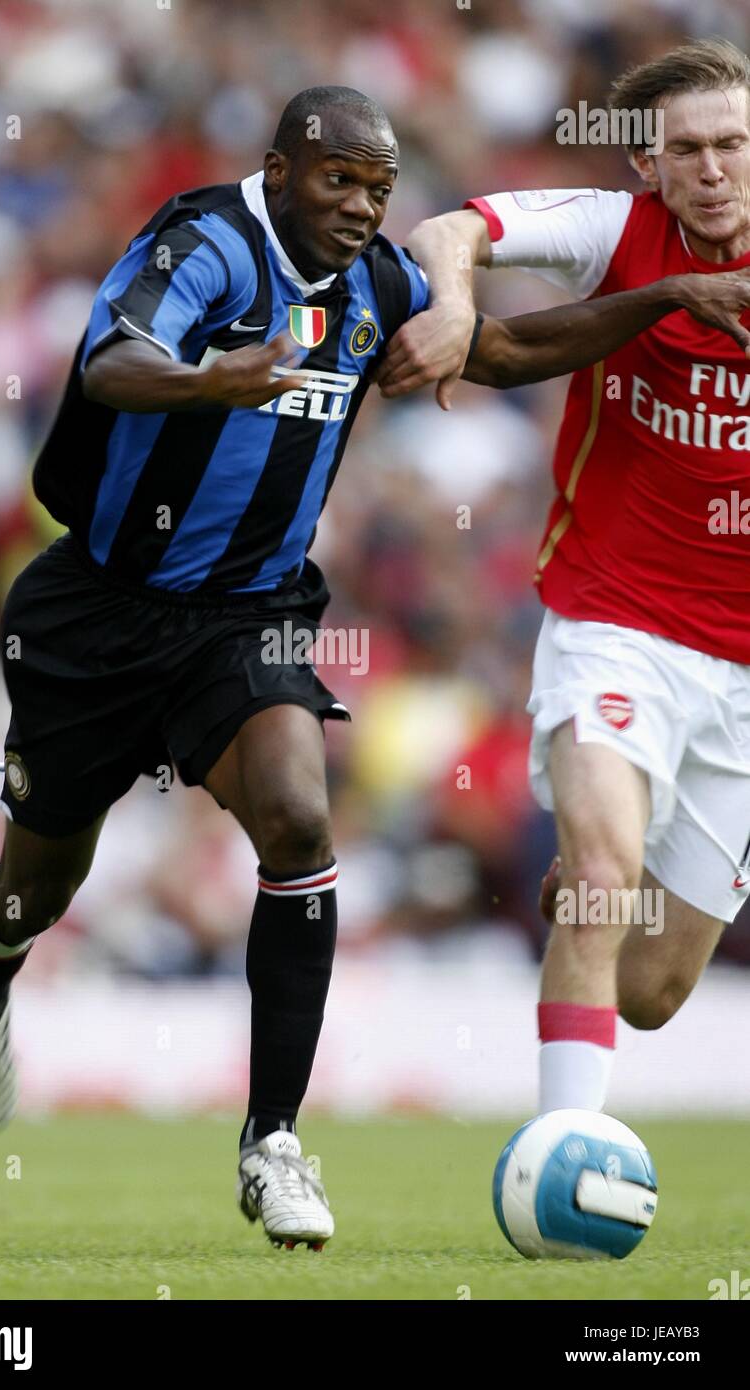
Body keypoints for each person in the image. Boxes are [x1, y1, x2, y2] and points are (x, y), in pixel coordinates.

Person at [0, 82, 750, 1249]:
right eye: (338, 181)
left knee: (298, 826)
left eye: (378, 187)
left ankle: (271, 1140)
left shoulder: (372, 289)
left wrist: (661, 297)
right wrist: (213, 378)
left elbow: (509, 350)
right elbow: (115, 360)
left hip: (250, 616)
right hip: (99, 611)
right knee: (41, 882)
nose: (362, 207)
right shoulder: (206, 241)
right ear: (279, 171)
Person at [379, 38, 750, 1118]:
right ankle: (563, 1149)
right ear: (648, 165)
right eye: (687, 151)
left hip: (740, 673)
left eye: (731, 144)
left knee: (651, 988)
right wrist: (451, 307)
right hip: (615, 623)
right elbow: (452, 228)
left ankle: (599, 879)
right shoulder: (611, 233)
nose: (712, 170)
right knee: (599, 880)